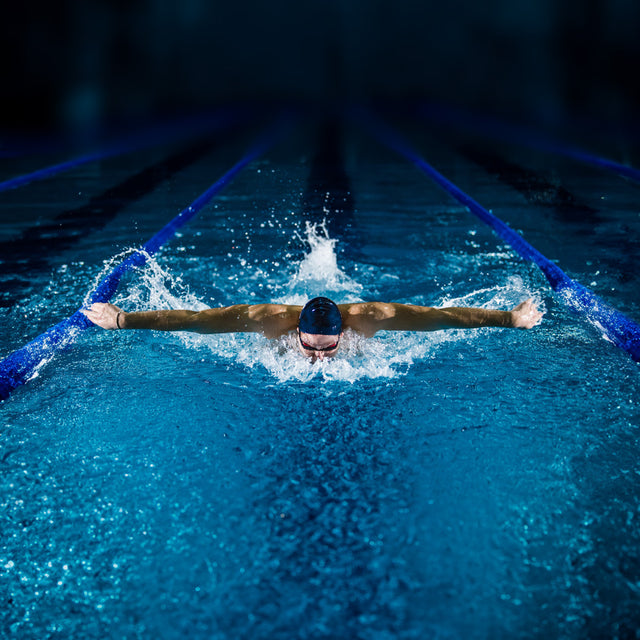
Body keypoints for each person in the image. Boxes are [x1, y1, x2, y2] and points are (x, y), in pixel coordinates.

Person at [82, 296, 543, 362]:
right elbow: (196, 322)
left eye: (328, 348)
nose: (320, 360)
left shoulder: (373, 317)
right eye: (311, 348)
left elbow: (441, 316)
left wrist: (510, 319)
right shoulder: (266, 320)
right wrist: (122, 320)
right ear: (295, 332)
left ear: (345, 329)